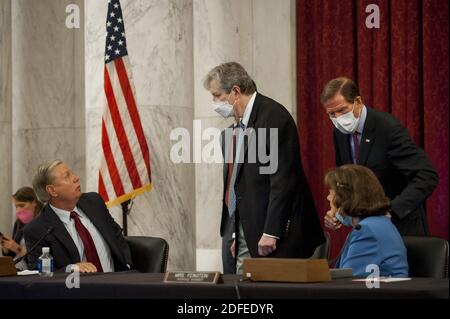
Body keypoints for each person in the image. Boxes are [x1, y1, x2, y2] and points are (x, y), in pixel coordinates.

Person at [204, 62, 325, 274]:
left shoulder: (273, 117)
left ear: (235, 91)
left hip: (279, 235)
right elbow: (242, 184)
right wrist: (240, 234)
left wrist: (271, 232)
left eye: (217, 95)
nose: (214, 102)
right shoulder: (237, 127)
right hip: (249, 230)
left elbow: (283, 181)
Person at [321, 77, 438, 236]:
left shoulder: (387, 128)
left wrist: (392, 210)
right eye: (332, 114)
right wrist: (336, 210)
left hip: (401, 228)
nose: (338, 119)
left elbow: (427, 175)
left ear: (358, 101)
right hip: (365, 230)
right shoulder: (339, 132)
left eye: (342, 110)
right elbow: (344, 179)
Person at [23, 160, 133, 273]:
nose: (75, 178)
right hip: (76, 288)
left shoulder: (94, 202)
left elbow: (116, 234)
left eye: (72, 173)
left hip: (117, 282)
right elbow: (40, 273)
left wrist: (127, 264)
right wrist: (70, 269)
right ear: (52, 191)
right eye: (67, 176)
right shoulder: (37, 229)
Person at [325, 164, 409, 277]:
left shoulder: (366, 231)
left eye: (331, 192)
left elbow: (348, 282)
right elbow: (350, 220)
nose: (328, 198)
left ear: (344, 198)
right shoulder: (377, 223)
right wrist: (339, 216)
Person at [1, 187, 43, 270]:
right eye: (16, 206)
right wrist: (6, 247)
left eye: (22, 205)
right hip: (16, 267)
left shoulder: (43, 223)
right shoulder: (19, 223)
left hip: (32, 270)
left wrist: (17, 248)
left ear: (34, 202)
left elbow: (39, 258)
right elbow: (12, 255)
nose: (18, 210)